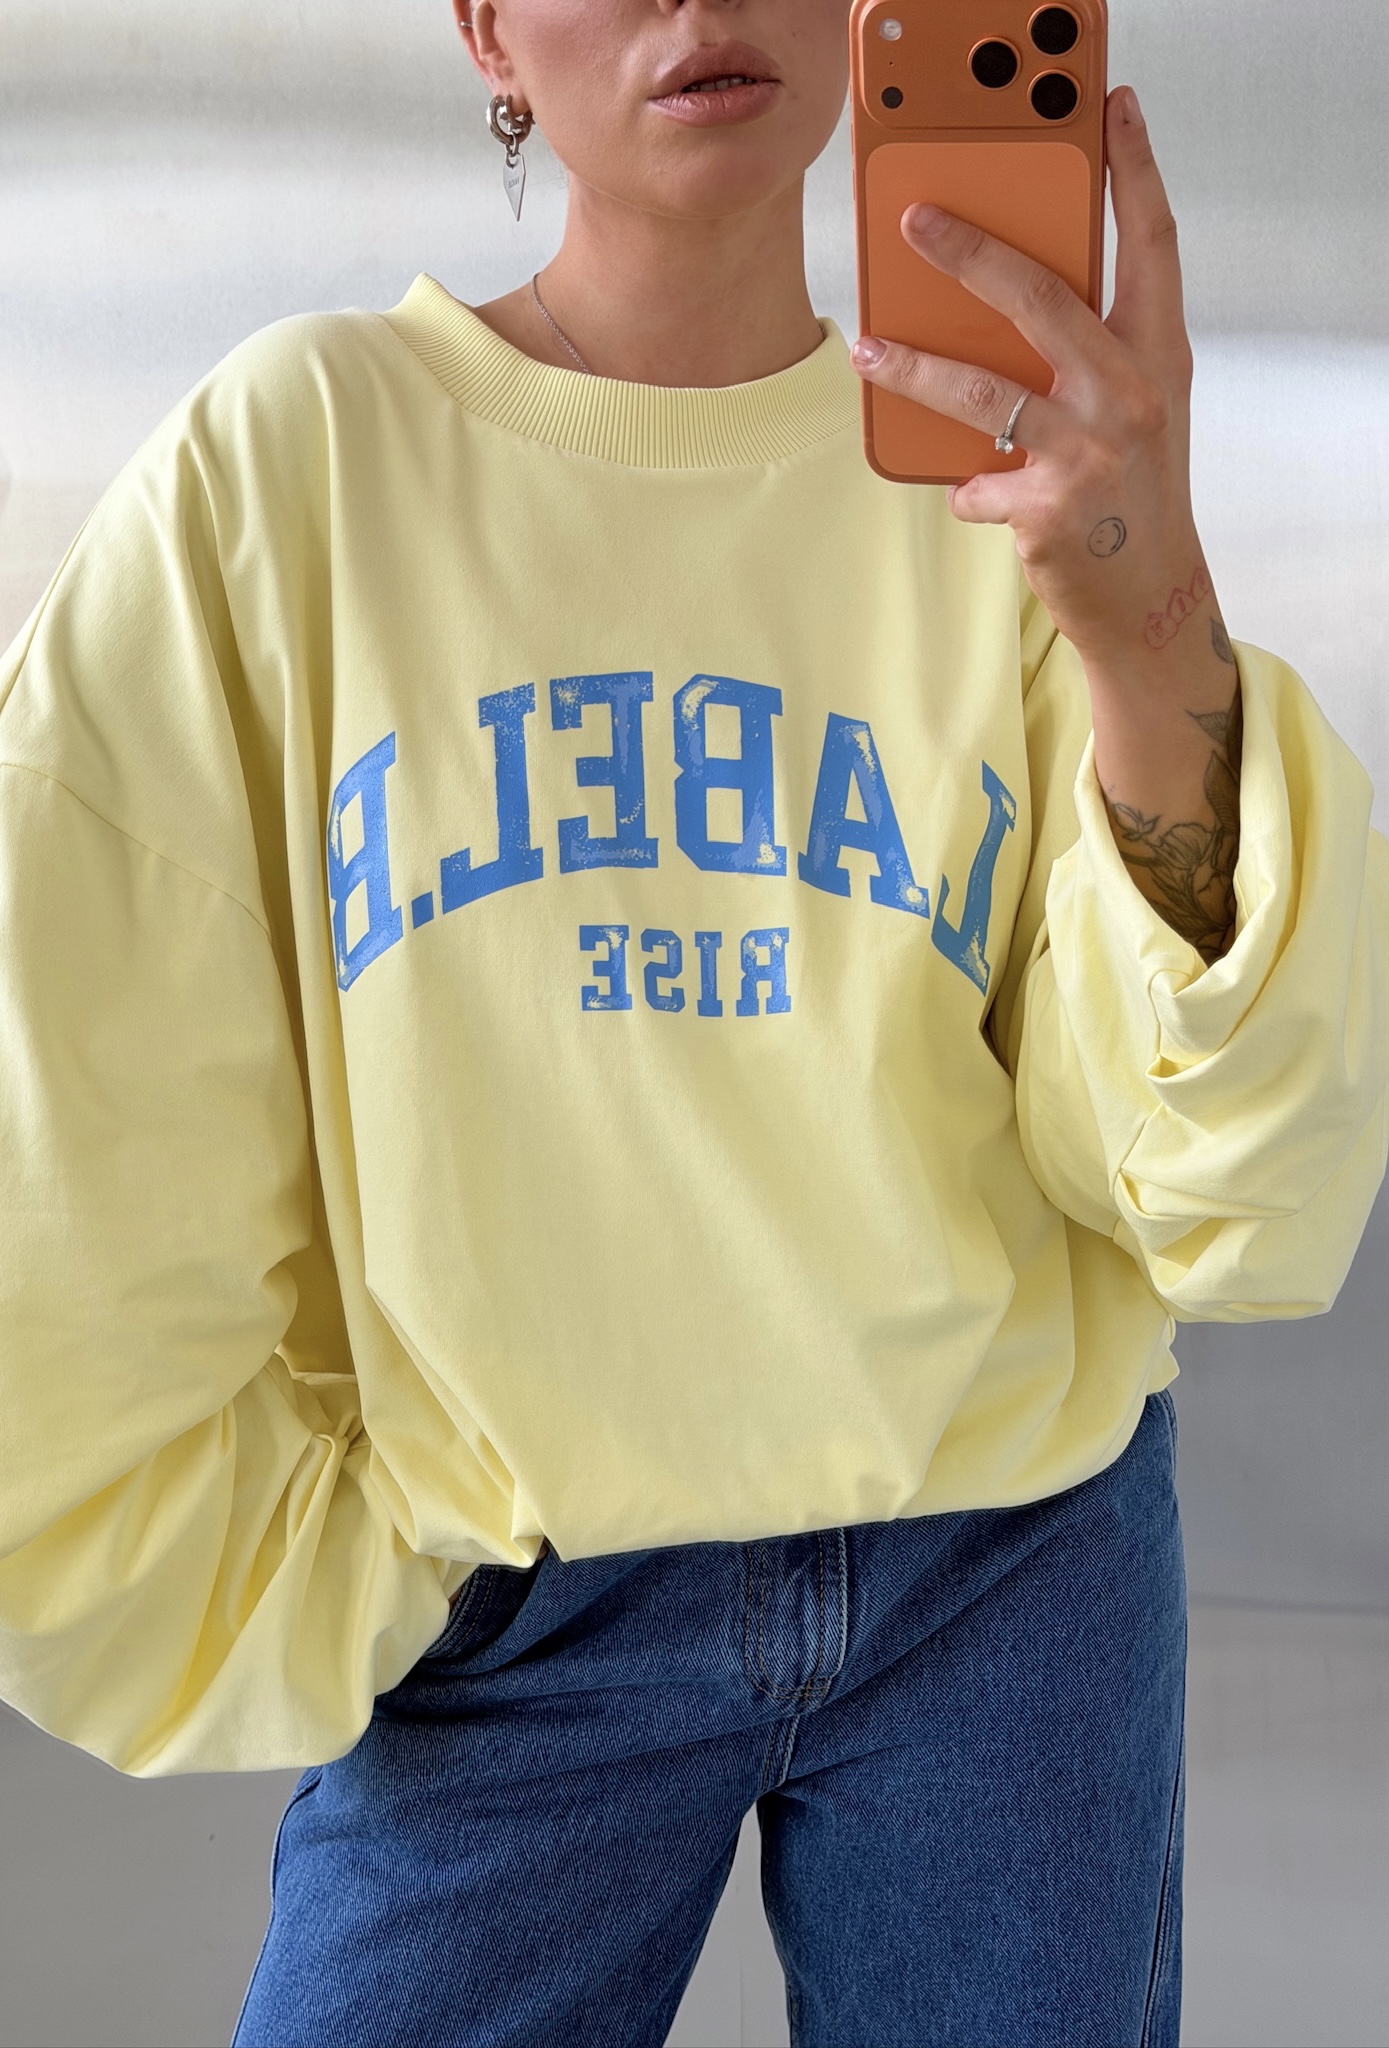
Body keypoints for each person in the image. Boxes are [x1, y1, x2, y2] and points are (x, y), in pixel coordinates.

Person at [0, 2, 1384, 2043]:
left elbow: (1194, 1167)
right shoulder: (300, 456)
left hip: (1004, 1573)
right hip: (515, 1606)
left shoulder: (1010, 483)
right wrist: (339, 1554)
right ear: (487, 29)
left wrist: (1148, 616)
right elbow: (88, 1056)